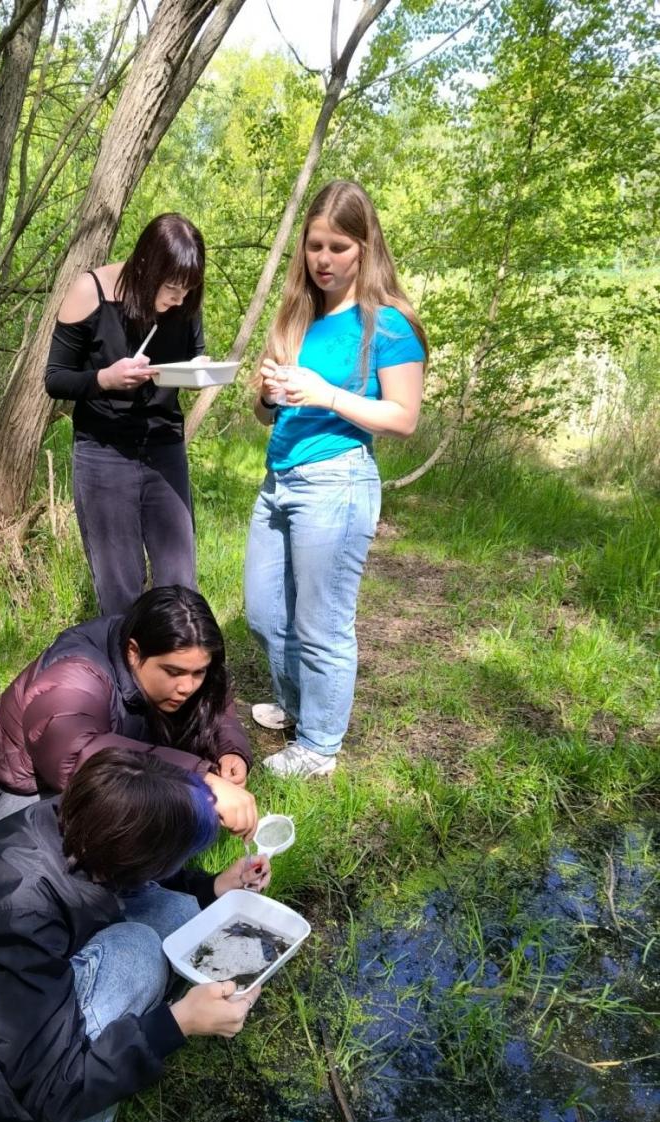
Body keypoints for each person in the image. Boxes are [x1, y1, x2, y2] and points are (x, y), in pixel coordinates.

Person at [0, 749, 271, 1122]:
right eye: (177, 857)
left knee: (184, 914)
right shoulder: (12, 910)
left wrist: (215, 886)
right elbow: (51, 1085)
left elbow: (147, 878)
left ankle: (120, 1030)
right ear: (135, 858)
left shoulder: (89, 822)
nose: (179, 865)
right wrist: (176, 1023)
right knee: (137, 953)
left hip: (14, 991)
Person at [245, 180, 427, 778]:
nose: (323, 260)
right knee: (265, 612)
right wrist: (269, 396)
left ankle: (320, 747)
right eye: (314, 246)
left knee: (320, 622)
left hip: (337, 480)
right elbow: (265, 410)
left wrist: (326, 394)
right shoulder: (298, 315)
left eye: (338, 247)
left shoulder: (388, 324)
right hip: (279, 478)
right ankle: (299, 706)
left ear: (365, 247)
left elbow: (403, 418)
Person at [0, 585, 256, 838]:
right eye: (173, 672)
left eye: (198, 672)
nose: (187, 686)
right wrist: (200, 777)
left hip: (93, 772)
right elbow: (76, 757)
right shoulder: (76, 673)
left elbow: (214, 703)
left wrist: (229, 750)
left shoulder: (174, 661)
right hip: (18, 793)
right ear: (133, 651)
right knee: (80, 866)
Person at [45, 213, 207, 615]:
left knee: (179, 582)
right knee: (120, 588)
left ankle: (177, 674)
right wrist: (105, 378)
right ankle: (122, 674)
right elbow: (56, 379)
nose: (178, 299)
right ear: (144, 268)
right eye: (171, 288)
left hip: (164, 447)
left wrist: (199, 372)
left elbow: (194, 357)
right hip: (104, 452)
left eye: (187, 290)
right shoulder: (91, 290)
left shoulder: (184, 302)